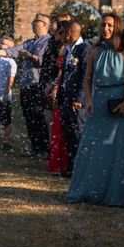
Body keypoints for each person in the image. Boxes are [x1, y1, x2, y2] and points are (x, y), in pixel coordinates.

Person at [65, 13, 124, 206]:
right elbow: (87, 78)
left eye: (110, 25)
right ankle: (88, 189)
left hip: (119, 103)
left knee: (115, 149)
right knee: (92, 148)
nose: (106, 29)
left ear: (117, 27)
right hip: (99, 102)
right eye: (103, 25)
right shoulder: (94, 51)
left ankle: (112, 193)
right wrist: (88, 100)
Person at [0, 13, 51, 160]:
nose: (33, 23)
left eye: (36, 21)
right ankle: (34, 148)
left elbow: (44, 62)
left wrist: (30, 57)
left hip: (38, 86)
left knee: (38, 118)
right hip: (26, 86)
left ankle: (44, 150)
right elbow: (12, 50)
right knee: (29, 118)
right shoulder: (30, 42)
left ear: (44, 24)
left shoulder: (49, 42)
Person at [58, 19, 91, 178]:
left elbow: (85, 75)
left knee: (78, 133)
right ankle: (71, 167)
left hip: (77, 101)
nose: (62, 35)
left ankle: (81, 168)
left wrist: (79, 99)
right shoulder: (68, 49)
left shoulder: (85, 49)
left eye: (63, 32)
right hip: (66, 97)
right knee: (68, 134)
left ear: (69, 33)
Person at [46, 22, 70, 175]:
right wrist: (54, 84)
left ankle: (64, 162)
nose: (58, 35)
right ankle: (57, 161)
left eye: (60, 33)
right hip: (59, 85)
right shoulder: (61, 48)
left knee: (64, 125)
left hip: (66, 87)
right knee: (57, 125)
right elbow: (59, 71)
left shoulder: (71, 49)